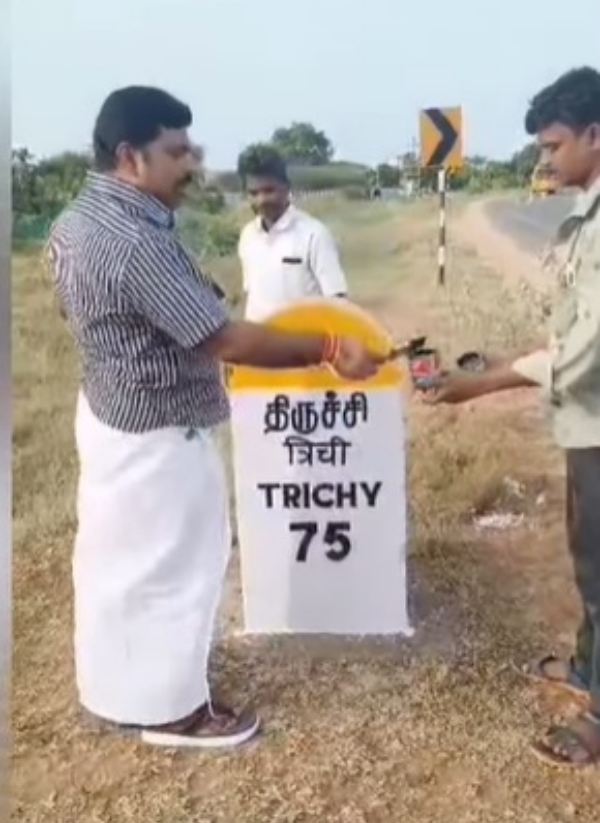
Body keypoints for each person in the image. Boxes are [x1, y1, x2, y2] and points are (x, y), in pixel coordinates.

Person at [45, 86, 383, 750]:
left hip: (110, 413)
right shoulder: (132, 242)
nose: (192, 163)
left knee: (118, 564)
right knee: (175, 567)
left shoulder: (73, 223)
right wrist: (328, 347)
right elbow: (223, 339)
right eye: (177, 152)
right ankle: (174, 713)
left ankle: (116, 688)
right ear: (130, 156)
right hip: (159, 430)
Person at [425, 66, 600, 769]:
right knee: (590, 559)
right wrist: (507, 359)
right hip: (588, 423)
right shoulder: (587, 213)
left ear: (594, 134)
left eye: (554, 145)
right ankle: (589, 667)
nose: (544, 160)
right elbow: (575, 331)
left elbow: (586, 353)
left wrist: (487, 382)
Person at [236, 146, 348, 322]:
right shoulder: (248, 236)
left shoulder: (314, 234)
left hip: (305, 338)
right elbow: (251, 295)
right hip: (259, 337)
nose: (261, 200)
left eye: (269, 190)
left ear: (286, 187)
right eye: (253, 193)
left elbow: (337, 300)